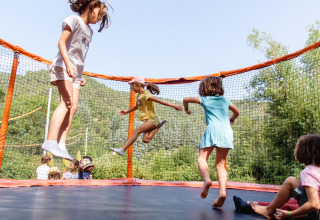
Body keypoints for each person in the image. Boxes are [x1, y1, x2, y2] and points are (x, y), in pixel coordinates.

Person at [41, 0, 112, 160]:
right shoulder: (73, 20)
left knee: (73, 107)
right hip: (64, 64)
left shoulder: (90, 31)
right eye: (99, 14)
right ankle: (50, 140)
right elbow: (61, 43)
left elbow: (80, 54)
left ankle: (61, 144)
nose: (99, 18)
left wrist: (80, 75)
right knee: (66, 102)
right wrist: (67, 64)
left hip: (76, 72)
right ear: (91, 6)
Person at [183, 76, 240, 208]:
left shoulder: (205, 99)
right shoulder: (225, 100)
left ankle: (207, 180)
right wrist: (231, 119)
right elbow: (237, 112)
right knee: (220, 165)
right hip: (226, 131)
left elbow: (185, 99)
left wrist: (186, 108)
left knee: (202, 158)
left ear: (203, 88)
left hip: (212, 130)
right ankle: (222, 192)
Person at [233, 134, 320, 219]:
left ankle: (268, 210)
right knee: (294, 199)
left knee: (291, 182)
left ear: (303, 151)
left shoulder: (309, 172)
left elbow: (314, 204)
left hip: (316, 214)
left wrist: (290, 214)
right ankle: (255, 205)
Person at [109, 76, 182, 156]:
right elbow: (137, 107)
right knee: (145, 140)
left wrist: (174, 106)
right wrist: (127, 111)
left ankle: (122, 149)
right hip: (148, 120)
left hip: (153, 119)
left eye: (132, 86)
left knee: (136, 131)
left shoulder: (146, 94)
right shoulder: (139, 95)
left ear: (138, 84)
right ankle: (158, 126)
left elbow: (160, 101)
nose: (132, 88)